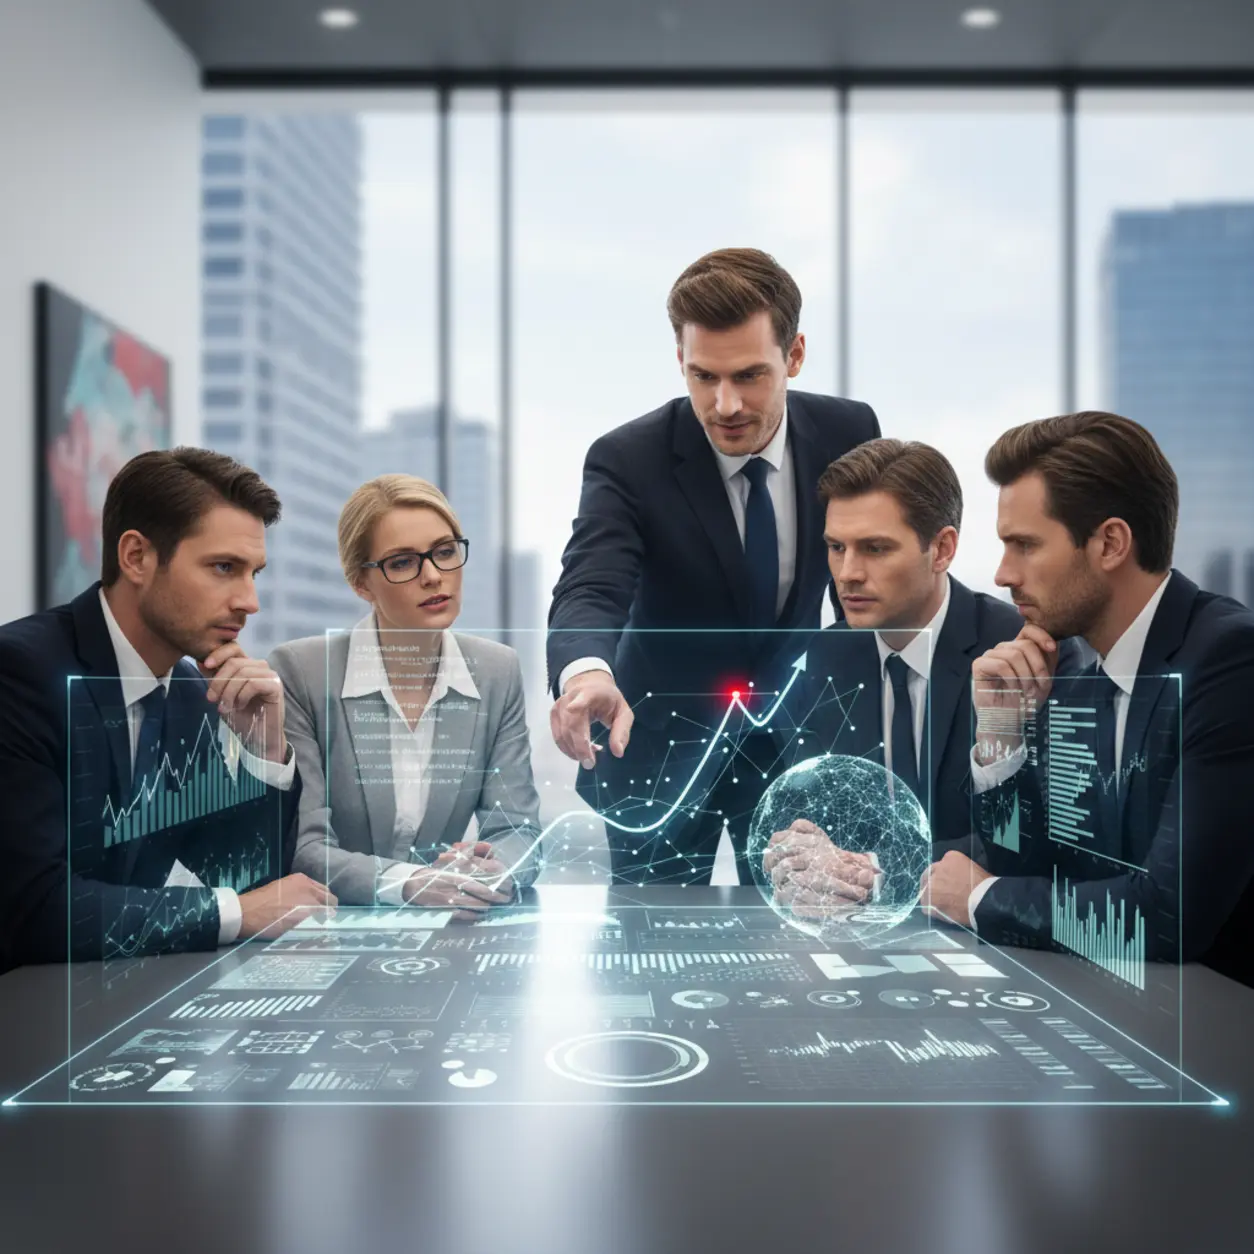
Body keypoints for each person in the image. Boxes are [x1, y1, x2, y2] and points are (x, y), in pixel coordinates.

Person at [547, 247, 879, 884]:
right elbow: (591, 582)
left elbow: (863, 588)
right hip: (658, 752)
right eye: (703, 376)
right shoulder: (628, 458)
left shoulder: (850, 430)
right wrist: (586, 672)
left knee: (807, 926)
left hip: (797, 746)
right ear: (680, 359)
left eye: (750, 376)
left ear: (795, 355)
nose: (725, 405)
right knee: (650, 936)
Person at [919, 411, 1254, 988]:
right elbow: (1034, 864)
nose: (1002, 574)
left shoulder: (1228, 663)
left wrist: (979, 899)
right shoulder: (1074, 672)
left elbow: (1169, 916)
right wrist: (1000, 735)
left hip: (1217, 1019)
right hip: (1114, 1002)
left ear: (1110, 543)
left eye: (1025, 545)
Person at [0, 448, 331, 972]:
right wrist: (234, 912)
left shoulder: (191, 694)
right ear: (136, 557)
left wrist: (264, 749)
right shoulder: (20, 673)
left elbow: (246, 884)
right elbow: (32, 908)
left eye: (253, 573)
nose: (249, 601)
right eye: (224, 568)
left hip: (115, 998)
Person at [761, 439, 1031, 918]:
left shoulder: (1012, 649)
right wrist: (799, 863)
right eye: (836, 548)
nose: (848, 573)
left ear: (942, 549)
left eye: (875, 549)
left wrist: (879, 872)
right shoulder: (826, 656)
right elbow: (810, 820)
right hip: (857, 931)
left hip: (980, 931)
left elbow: (1020, 841)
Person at [269, 475, 543, 917]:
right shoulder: (302, 672)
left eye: (445, 552)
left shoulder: (497, 670)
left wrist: (493, 870)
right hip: (333, 927)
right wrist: (409, 883)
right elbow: (305, 848)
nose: (433, 576)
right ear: (361, 583)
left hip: (448, 927)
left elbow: (518, 831)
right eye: (402, 563)